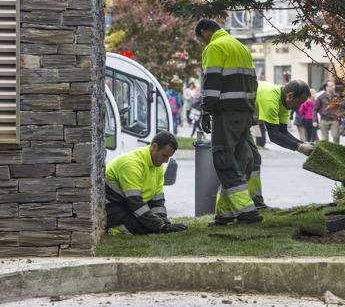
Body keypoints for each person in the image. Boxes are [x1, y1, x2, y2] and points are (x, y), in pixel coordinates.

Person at [196, 18, 261, 225]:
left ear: (205, 31)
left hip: (226, 112)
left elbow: (212, 82)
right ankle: (225, 213)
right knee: (237, 160)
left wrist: (207, 110)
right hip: (244, 111)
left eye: (201, 39)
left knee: (223, 158)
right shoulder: (240, 47)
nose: (203, 44)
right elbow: (253, 82)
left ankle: (246, 210)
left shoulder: (215, 47)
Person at [248, 80, 315, 208]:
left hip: (246, 121)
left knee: (254, 159)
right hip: (233, 118)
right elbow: (274, 135)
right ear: (290, 96)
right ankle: (248, 202)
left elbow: (283, 131)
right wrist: (300, 147)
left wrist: (303, 143)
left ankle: (256, 201)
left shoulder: (284, 102)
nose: (299, 107)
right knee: (248, 159)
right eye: (299, 102)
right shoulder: (271, 99)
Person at [105, 131, 187, 235]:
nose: (166, 161)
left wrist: (165, 223)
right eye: (164, 156)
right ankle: (112, 231)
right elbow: (135, 202)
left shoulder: (158, 165)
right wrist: (161, 226)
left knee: (151, 226)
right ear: (154, 147)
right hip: (111, 205)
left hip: (126, 204)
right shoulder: (131, 164)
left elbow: (157, 201)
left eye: (168, 157)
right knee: (145, 228)